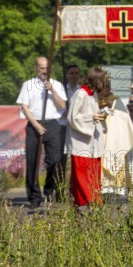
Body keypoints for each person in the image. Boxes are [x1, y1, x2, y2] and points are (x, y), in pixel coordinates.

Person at [16, 56, 67, 208]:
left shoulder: (57, 85)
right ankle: (34, 197)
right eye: (41, 67)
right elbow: (24, 106)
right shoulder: (28, 85)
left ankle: (50, 189)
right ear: (36, 68)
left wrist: (52, 91)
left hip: (53, 124)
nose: (44, 70)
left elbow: (62, 105)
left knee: (55, 160)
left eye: (47, 67)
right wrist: (36, 125)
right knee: (32, 161)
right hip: (34, 124)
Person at [66, 68, 108, 208]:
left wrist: (102, 114)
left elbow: (93, 114)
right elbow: (72, 117)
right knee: (82, 176)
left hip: (93, 143)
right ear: (96, 80)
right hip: (81, 143)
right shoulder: (80, 94)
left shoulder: (93, 94)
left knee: (93, 175)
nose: (105, 83)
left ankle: (94, 202)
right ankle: (87, 203)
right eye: (103, 80)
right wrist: (91, 117)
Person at [57, 64, 81, 201]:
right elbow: (60, 110)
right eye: (72, 73)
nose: (74, 76)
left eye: (77, 73)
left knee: (75, 159)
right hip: (62, 126)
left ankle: (74, 190)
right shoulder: (61, 90)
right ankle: (60, 191)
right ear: (66, 75)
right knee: (60, 159)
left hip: (76, 127)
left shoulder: (81, 91)